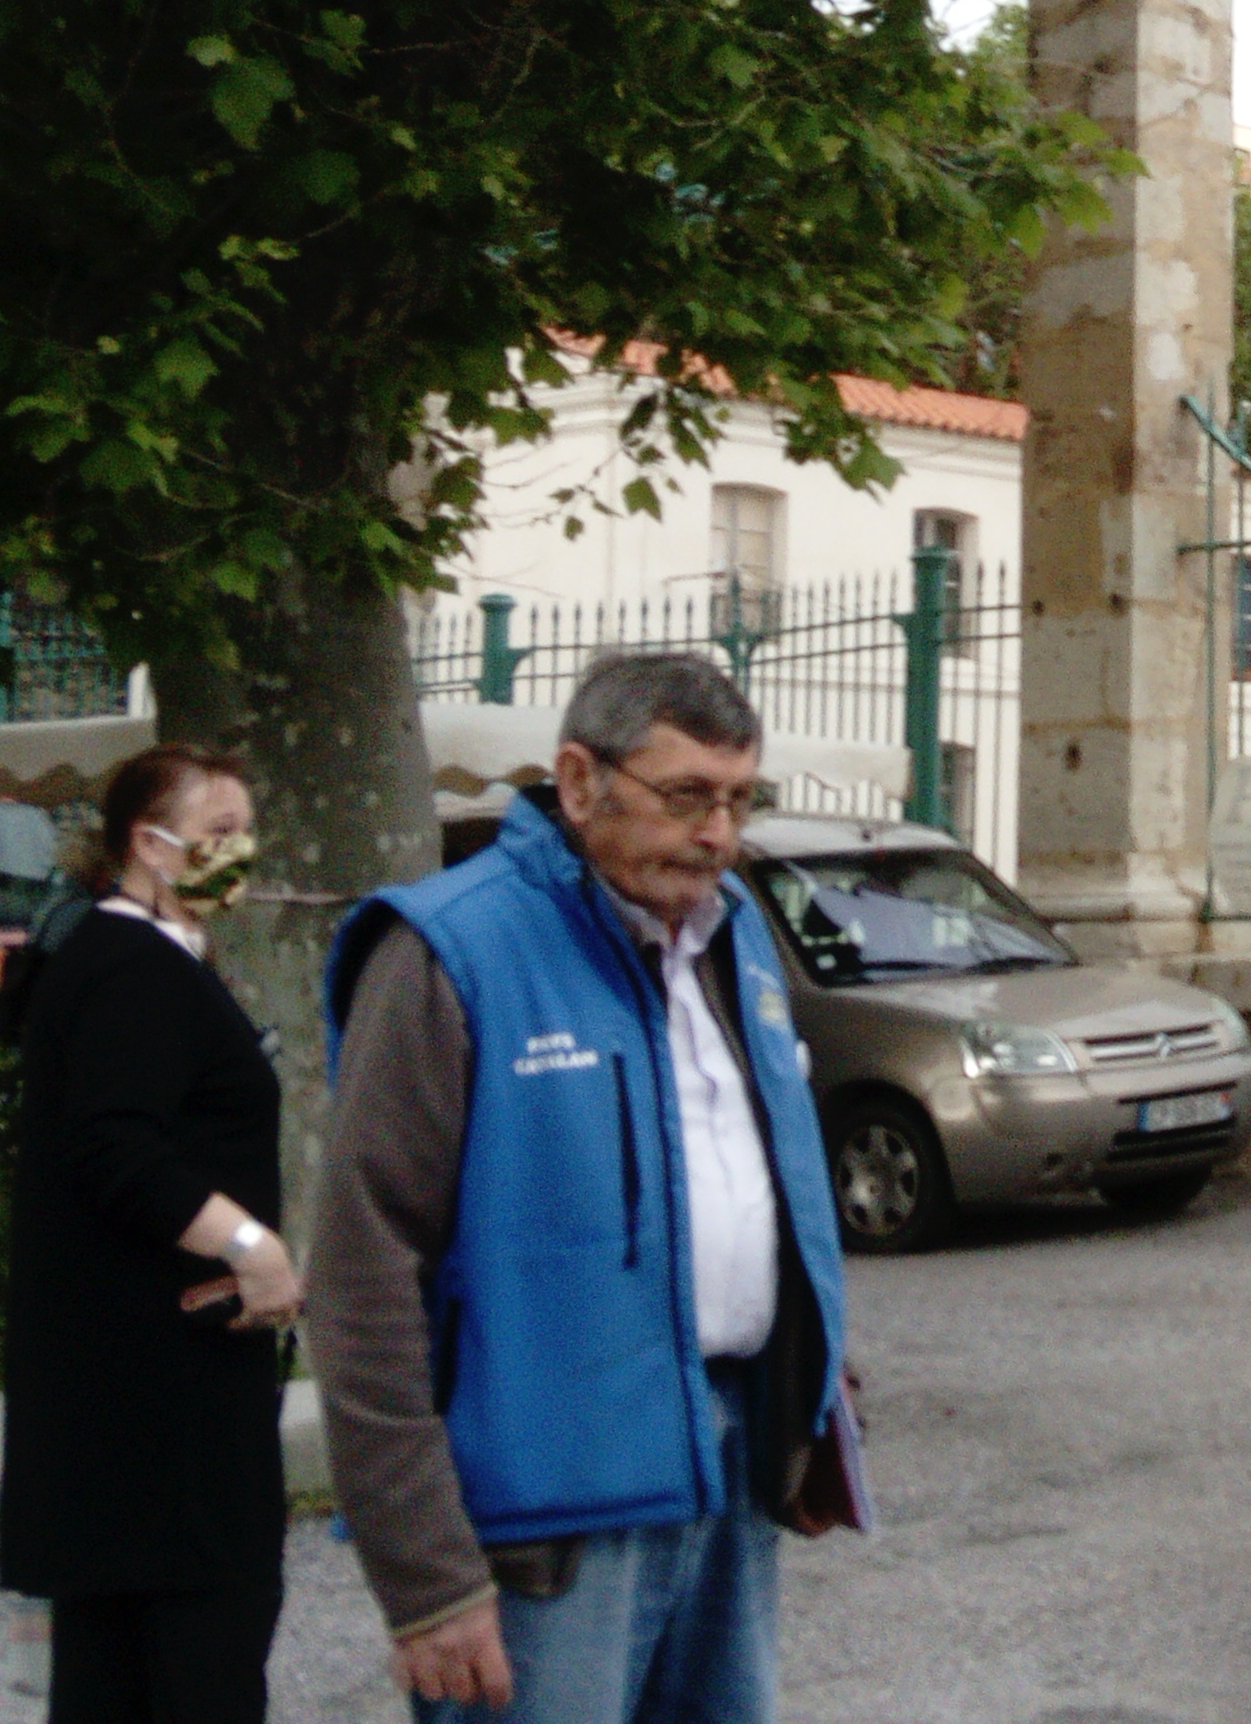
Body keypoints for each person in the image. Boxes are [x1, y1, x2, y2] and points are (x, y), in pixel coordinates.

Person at [308, 653, 849, 1724]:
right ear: (576, 779)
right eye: (686, 796)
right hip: (543, 1512)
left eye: (740, 800)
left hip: (728, 1464)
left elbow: (761, 1192)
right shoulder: (451, 951)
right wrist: (424, 1579)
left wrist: (821, 1391)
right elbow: (363, 1277)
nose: (718, 834)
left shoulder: (730, 935)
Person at [0, 743, 296, 1724]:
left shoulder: (113, 955)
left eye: (245, 833)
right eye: (219, 835)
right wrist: (251, 1246)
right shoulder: (134, 967)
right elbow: (118, 1151)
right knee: (193, 1665)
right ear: (149, 843)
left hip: (120, 1410)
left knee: (113, 1678)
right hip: (165, 1413)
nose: (238, 853)